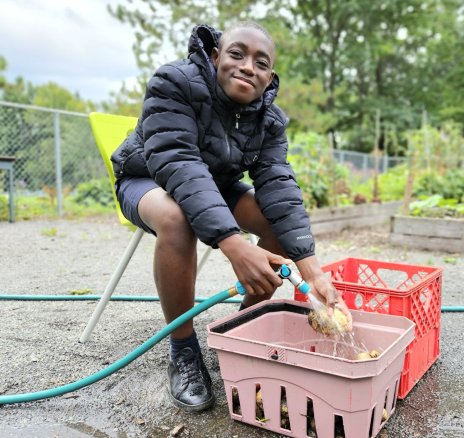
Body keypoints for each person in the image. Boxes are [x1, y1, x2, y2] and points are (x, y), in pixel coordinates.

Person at [111, 21, 352, 412]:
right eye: (237, 54)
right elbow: (179, 163)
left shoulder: (270, 119)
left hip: (215, 184)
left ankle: (239, 330)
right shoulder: (174, 82)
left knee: (275, 220)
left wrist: (312, 271)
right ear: (215, 55)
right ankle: (184, 349)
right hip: (149, 179)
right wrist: (234, 244)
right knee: (176, 218)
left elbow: (278, 186)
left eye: (261, 62)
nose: (247, 67)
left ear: (270, 76)